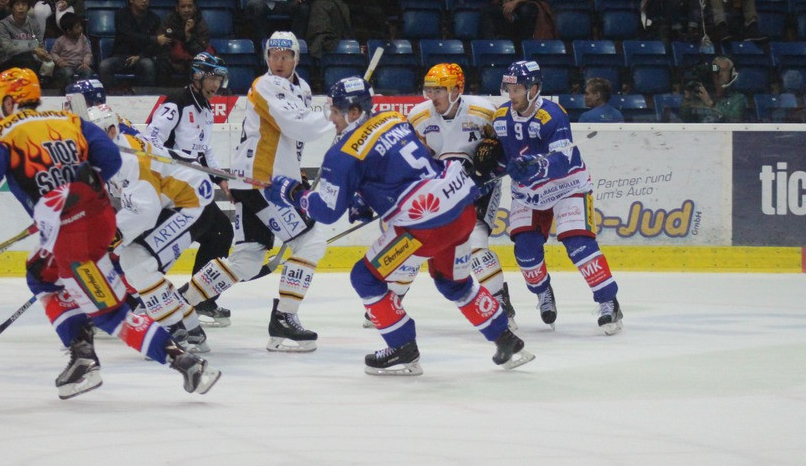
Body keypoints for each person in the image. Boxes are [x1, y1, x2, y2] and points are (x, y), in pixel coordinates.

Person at [0, 68, 220, 399]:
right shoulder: (71, 122)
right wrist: (71, 196)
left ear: (9, 102)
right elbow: (108, 161)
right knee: (41, 273)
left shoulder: (1, 134)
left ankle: (185, 364)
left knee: (111, 314)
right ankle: (82, 355)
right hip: (98, 217)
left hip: (73, 232)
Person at [264, 76, 533, 375]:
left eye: (336, 111)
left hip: (423, 227)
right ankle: (505, 339)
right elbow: (403, 164)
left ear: (354, 112)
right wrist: (366, 200)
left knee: (365, 278)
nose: (331, 118)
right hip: (461, 210)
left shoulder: (342, 154)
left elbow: (326, 211)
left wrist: (292, 193)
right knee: (453, 283)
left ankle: (403, 348)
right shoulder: (394, 118)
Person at [175, 32, 335, 353]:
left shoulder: (301, 88)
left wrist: (297, 170)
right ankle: (284, 321)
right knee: (310, 240)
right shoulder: (265, 85)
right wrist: (334, 115)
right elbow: (296, 125)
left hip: (265, 179)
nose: (278, 61)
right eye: (273, 55)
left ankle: (177, 307)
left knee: (247, 260)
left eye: (285, 55)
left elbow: (295, 140)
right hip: (264, 180)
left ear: (296, 59)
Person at [479, 60, 624, 334]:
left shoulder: (552, 115)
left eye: (518, 88)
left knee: (579, 245)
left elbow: (563, 160)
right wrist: (488, 167)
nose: (512, 94)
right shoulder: (500, 118)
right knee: (525, 251)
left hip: (567, 186)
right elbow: (505, 159)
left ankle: (608, 302)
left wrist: (535, 164)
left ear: (534, 89)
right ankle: (543, 291)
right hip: (528, 192)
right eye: (508, 88)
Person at [388, 64, 517, 327]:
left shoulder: (485, 111)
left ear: (457, 89)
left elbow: (507, 151)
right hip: (440, 190)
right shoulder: (418, 116)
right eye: (429, 90)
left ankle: (500, 302)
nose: (432, 96)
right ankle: (391, 300)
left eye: (439, 90)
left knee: (477, 243)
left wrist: (493, 159)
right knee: (414, 245)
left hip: (480, 188)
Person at [85, 102, 215, 352]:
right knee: (133, 261)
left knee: (136, 261)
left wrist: (113, 234)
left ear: (112, 132)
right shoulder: (111, 151)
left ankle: (174, 330)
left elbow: (145, 209)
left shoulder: (126, 159)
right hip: (175, 202)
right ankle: (191, 329)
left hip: (192, 203)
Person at [142, 53, 235, 328]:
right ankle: (146, 297)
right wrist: (175, 161)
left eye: (219, 78)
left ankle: (200, 298)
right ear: (197, 75)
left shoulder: (205, 108)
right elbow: (150, 138)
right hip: (173, 186)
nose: (216, 83)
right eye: (212, 77)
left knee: (220, 232)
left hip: (195, 186)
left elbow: (204, 150)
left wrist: (221, 179)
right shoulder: (176, 102)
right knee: (169, 243)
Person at [98, 0, 168, 87]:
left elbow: (155, 46)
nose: (144, 0)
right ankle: (113, 96)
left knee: (148, 65)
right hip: (121, 56)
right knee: (104, 66)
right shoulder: (121, 15)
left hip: (142, 57)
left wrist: (140, 56)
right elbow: (128, 35)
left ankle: (144, 98)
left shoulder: (154, 18)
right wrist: (153, 39)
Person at [159, 0, 212, 87]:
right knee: (161, 64)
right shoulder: (169, 21)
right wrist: (171, 62)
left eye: (189, 6)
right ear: (177, 8)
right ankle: (163, 96)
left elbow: (200, 53)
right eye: (183, 6)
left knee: (197, 65)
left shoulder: (200, 24)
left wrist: (188, 37)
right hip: (171, 60)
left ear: (194, 8)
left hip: (191, 60)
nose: (186, 10)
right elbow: (162, 45)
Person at [679, 55, 748, 122]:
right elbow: (684, 119)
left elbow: (733, 121)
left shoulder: (738, 99)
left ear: (732, 74)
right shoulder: (700, 94)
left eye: (724, 70)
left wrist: (710, 104)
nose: (719, 74)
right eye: (716, 70)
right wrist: (687, 99)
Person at [0, 0, 52, 73]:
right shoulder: (3, 24)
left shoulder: (34, 24)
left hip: (31, 62)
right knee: (27, 58)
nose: (21, 7)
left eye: (24, 4)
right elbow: (8, 48)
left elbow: (40, 46)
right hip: (8, 63)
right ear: (12, 8)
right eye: (17, 4)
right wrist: (33, 49)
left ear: (28, 8)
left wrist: (45, 55)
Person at [49, 12, 92, 89]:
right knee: (67, 73)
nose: (80, 28)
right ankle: (69, 91)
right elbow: (53, 53)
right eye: (77, 27)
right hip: (66, 66)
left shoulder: (83, 38)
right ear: (69, 31)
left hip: (80, 65)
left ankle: (82, 91)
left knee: (87, 72)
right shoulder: (61, 40)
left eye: (80, 26)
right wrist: (59, 61)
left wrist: (86, 63)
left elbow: (87, 52)